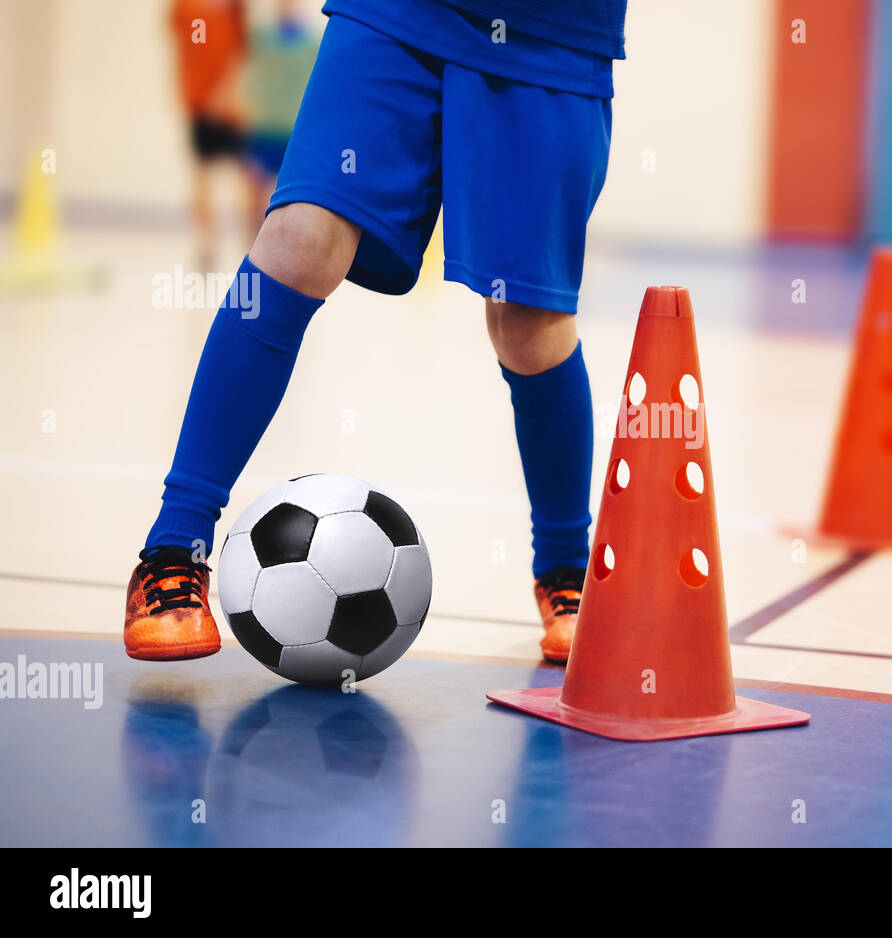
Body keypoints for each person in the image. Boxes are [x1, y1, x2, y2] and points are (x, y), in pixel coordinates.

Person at [126, 0, 627, 666]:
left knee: (529, 325)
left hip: (555, 33)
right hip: (397, 13)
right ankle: (172, 548)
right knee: (299, 241)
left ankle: (566, 572)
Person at [169, 0, 260, 269]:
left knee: (247, 176)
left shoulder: (234, 10)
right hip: (201, 105)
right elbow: (185, 49)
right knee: (203, 174)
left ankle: (254, 242)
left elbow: (241, 54)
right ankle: (207, 243)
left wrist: (226, 93)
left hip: (230, 108)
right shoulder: (186, 8)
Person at [241, 0, 320, 217]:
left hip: (292, 131)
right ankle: (253, 244)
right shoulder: (262, 41)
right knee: (255, 193)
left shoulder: (312, 46)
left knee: (288, 196)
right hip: (263, 129)